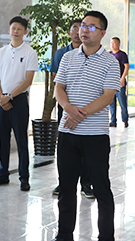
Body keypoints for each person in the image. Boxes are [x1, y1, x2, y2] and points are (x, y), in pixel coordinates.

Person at [53, 11, 121, 241]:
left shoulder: (110, 62)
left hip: (95, 136)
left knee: (101, 188)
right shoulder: (68, 57)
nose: (84, 30)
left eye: (91, 27)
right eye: (83, 25)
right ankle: (64, 235)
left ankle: (106, 236)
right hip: (67, 133)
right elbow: (59, 88)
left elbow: (107, 97)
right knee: (66, 187)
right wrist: (68, 109)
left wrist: (78, 115)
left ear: (102, 33)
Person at [0, 16, 38, 191]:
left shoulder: (30, 53)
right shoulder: (1, 52)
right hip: (1, 100)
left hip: (19, 101)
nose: (15, 31)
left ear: (25, 32)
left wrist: (9, 96)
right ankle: (3, 174)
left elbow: (28, 80)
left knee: (21, 140)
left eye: (19, 29)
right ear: (9, 30)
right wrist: (2, 97)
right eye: (13, 28)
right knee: (2, 139)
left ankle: (24, 177)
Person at [50, 20, 94, 199]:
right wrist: (68, 106)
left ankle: (86, 184)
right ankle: (64, 182)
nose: (78, 32)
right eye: (74, 28)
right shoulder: (62, 54)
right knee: (65, 146)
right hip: (66, 105)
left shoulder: (93, 53)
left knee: (86, 146)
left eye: (81, 28)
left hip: (87, 108)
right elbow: (57, 80)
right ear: (69, 32)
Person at [108, 37, 130, 128]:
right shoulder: (109, 54)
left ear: (119, 44)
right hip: (111, 82)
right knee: (111, 103)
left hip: (120, 81)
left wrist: (122, 78)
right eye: (111, 43)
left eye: (114, 43)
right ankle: (113, 121)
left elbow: (127, 67)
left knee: (122, 102)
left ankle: (125, 120)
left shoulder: (122, 54)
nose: (112, 44)